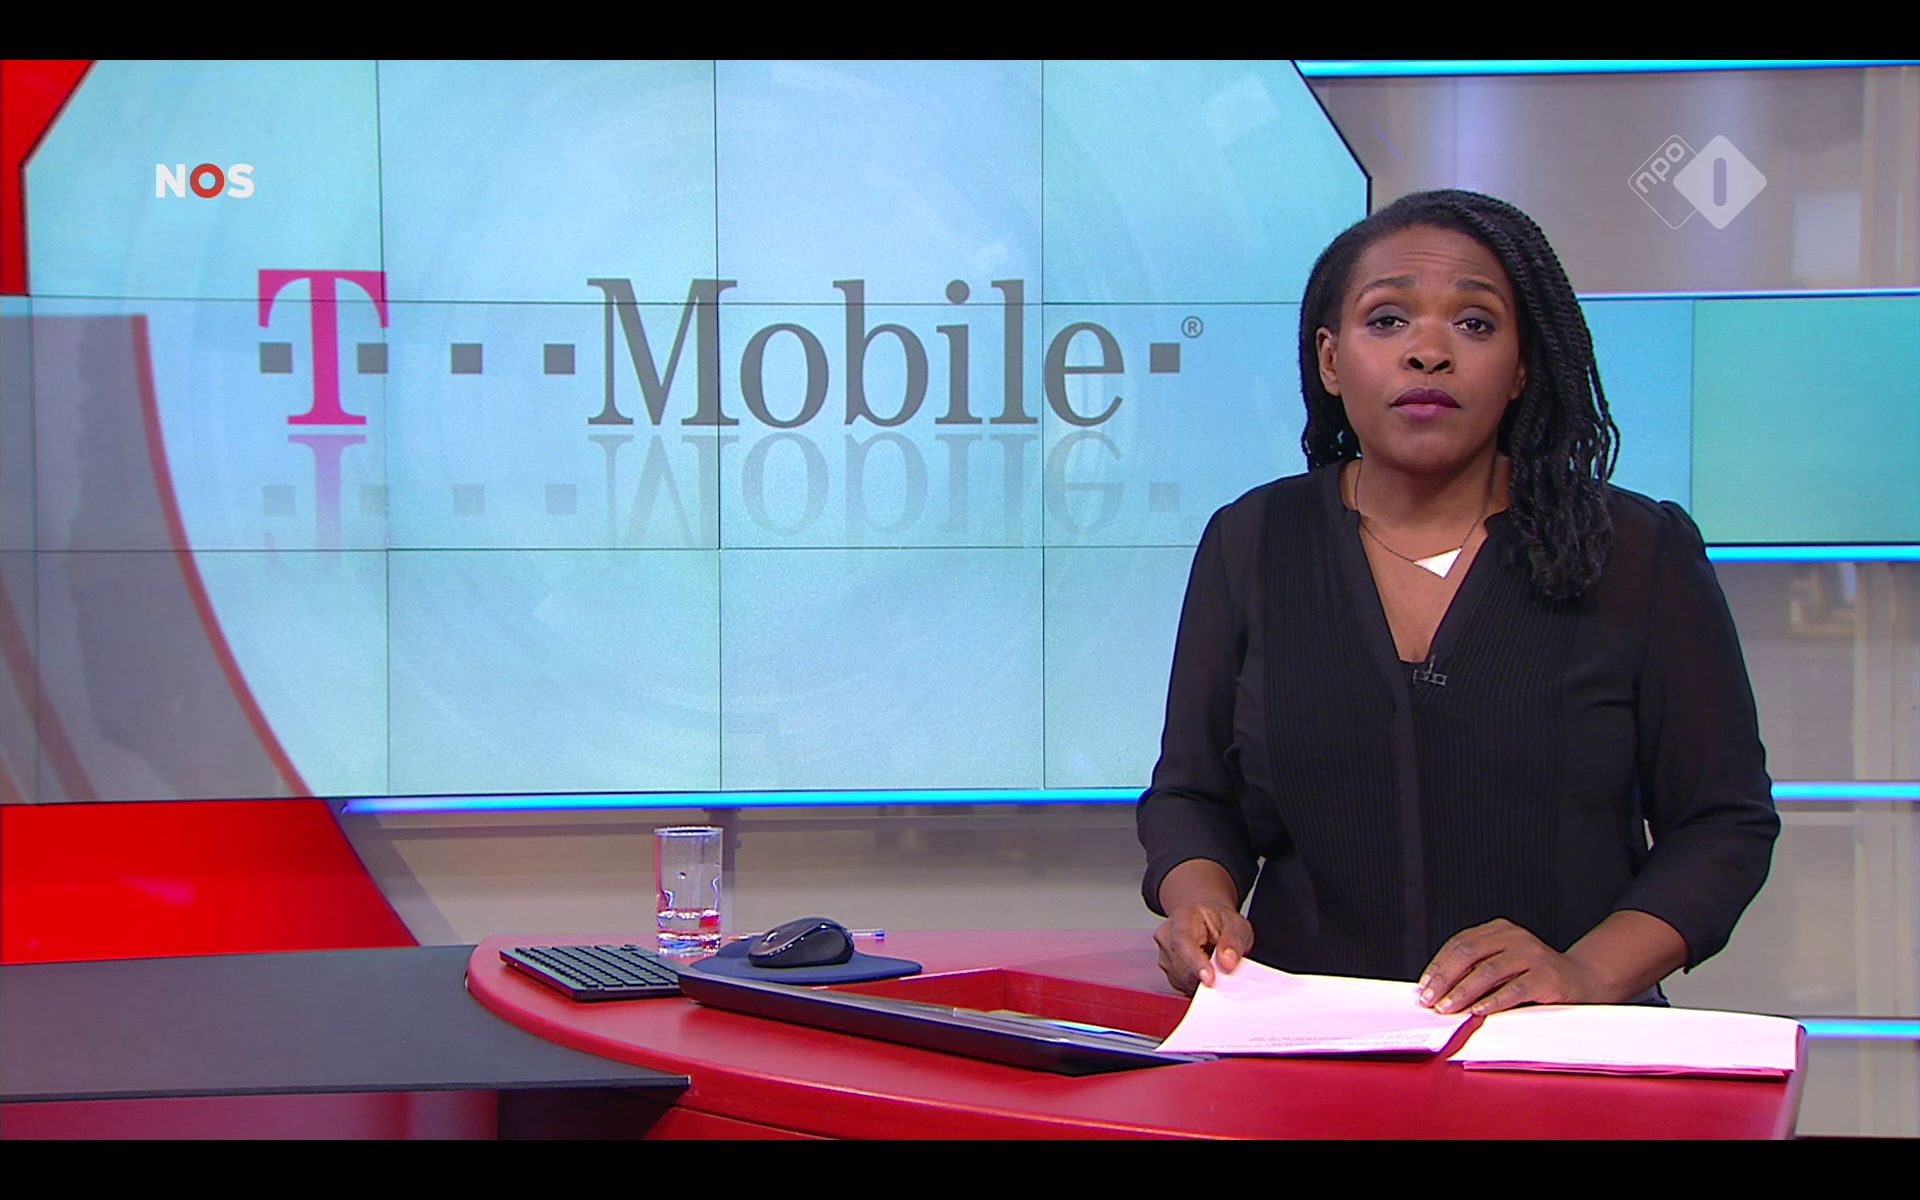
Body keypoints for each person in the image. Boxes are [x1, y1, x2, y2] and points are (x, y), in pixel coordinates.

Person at [1136, 188, 1778, 1018]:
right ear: (1330, 359)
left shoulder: (1634, 551)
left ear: (1521, 368)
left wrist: (1584, 974)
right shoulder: (1254, 540)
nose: (1429, 353)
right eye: (1387, 320)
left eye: (1475, 324)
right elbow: (1194, 797)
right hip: (1308, 1038)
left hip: (1559, 1056)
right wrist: (1201, 904)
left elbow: (1722, 824)